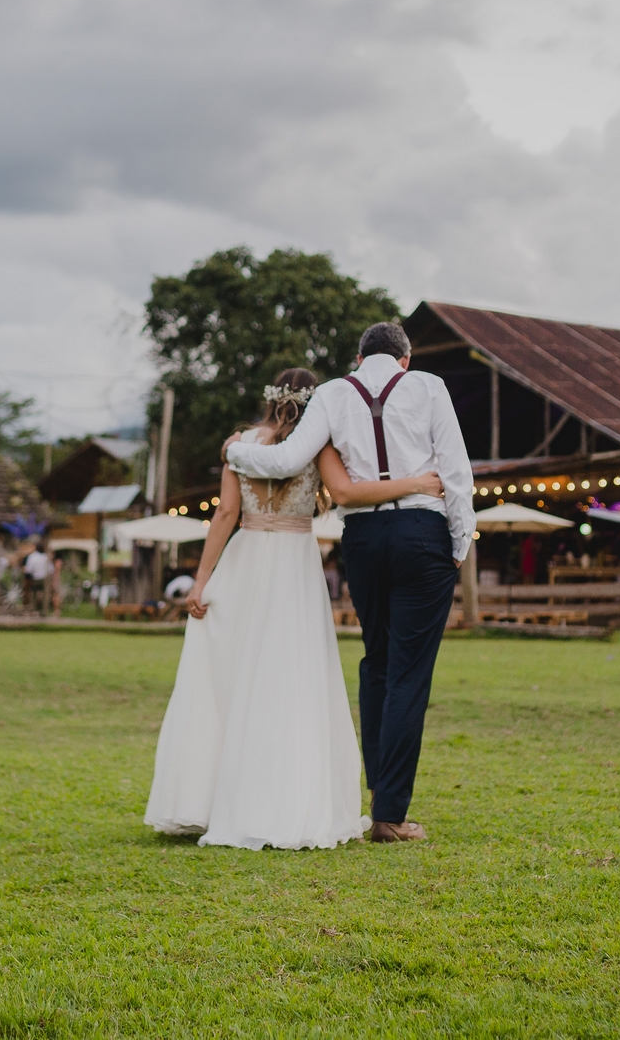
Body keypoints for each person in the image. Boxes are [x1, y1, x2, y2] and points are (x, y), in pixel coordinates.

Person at [145, 366, 447, 850]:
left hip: (244, 559)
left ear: (269, 397)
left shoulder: (241, 442)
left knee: (233, 676)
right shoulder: (318, 447)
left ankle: (210, 800)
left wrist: (201, 580)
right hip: (292, 564)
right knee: (291, 677)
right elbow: (346, 493)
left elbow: (225, 513)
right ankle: (283, 800)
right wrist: (419, 484)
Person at [218, 322, 476, 844]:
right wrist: (457, 544)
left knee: (376, 662)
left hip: (361, 539)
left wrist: (234, 452)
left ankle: (382, 800)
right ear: (406, 358)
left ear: (359, 358)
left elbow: (287, 460)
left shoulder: (335, 393)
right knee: (409, 673)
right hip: (421, 534)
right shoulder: (428, 387)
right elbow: (456, 472)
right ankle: (390, 814)